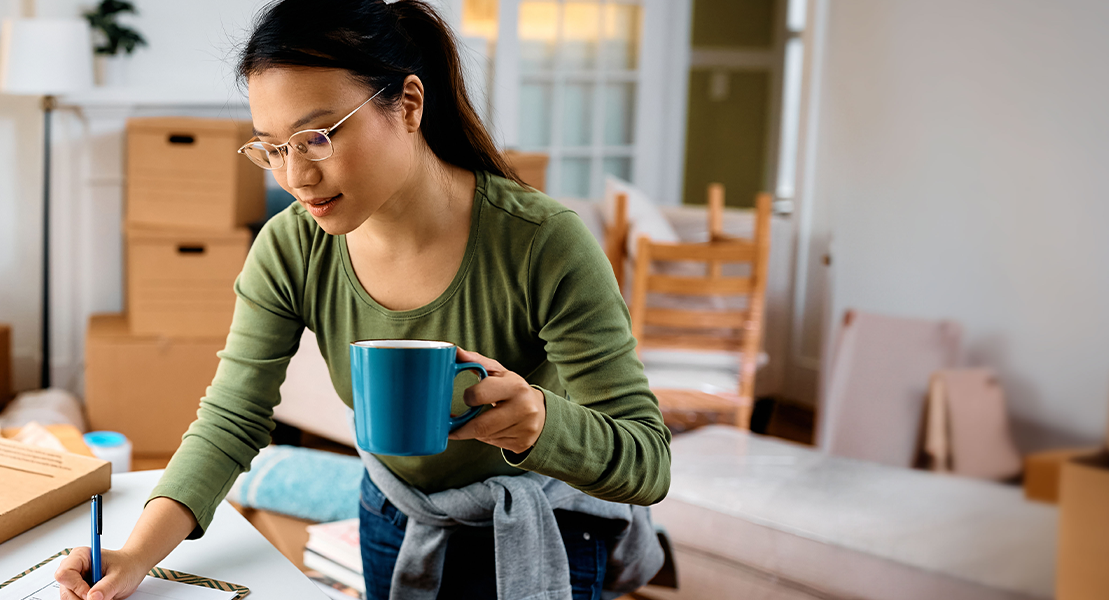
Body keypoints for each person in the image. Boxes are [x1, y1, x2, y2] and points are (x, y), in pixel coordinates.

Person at [55, 0, 670, 598]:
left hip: (541, 529)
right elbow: (231, 418)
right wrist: (134, 555)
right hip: (391, 516)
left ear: (407, 104)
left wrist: (540, 421)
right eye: (272, 147)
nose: (296, 176)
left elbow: (648, 463)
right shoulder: (291, 247)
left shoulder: (542, 243)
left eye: (317, 137)